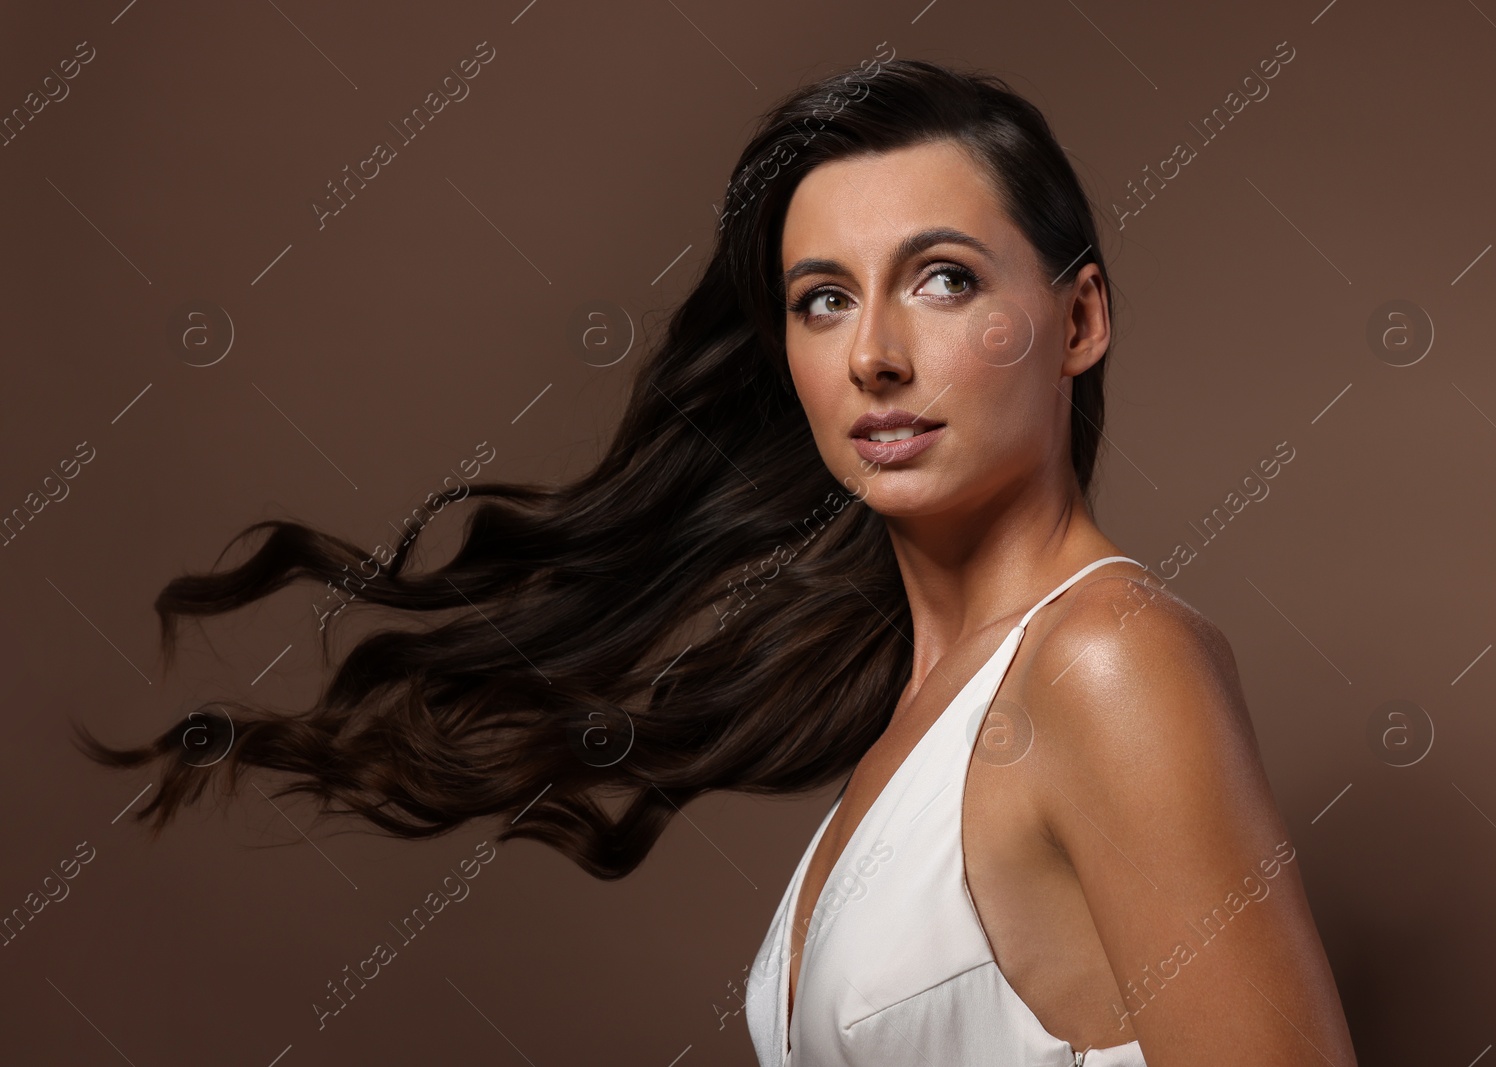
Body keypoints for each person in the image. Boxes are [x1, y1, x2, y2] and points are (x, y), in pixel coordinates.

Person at [76, 56, 1358, 1066]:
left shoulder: (1109, 662)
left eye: (945, 279)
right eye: (823, 298)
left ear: (1076, 320)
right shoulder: (918, 708)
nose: (876, 355)